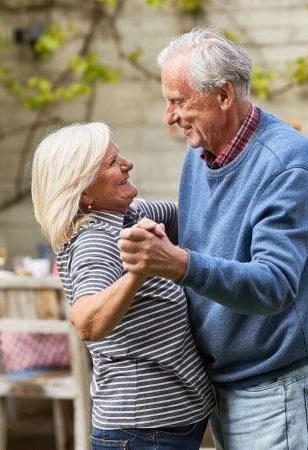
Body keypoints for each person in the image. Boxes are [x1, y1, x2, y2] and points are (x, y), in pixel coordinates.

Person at [117, 28, 308, 450]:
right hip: (226, 382)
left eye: (180, 101)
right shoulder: (199, 152)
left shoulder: (287, 165)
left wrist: (178, 264)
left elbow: (273, 285)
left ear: (223, 95)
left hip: (280, 385)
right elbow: (205, 224)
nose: (169, 116)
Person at [31, 122, 214, 449]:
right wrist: (139, 270)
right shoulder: (95, 241)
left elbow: (195, 218)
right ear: (84, 189)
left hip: (169, 423)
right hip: (144, 430)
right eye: (112, 163)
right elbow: (86, 323)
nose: (127, 164)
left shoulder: (128, 215)